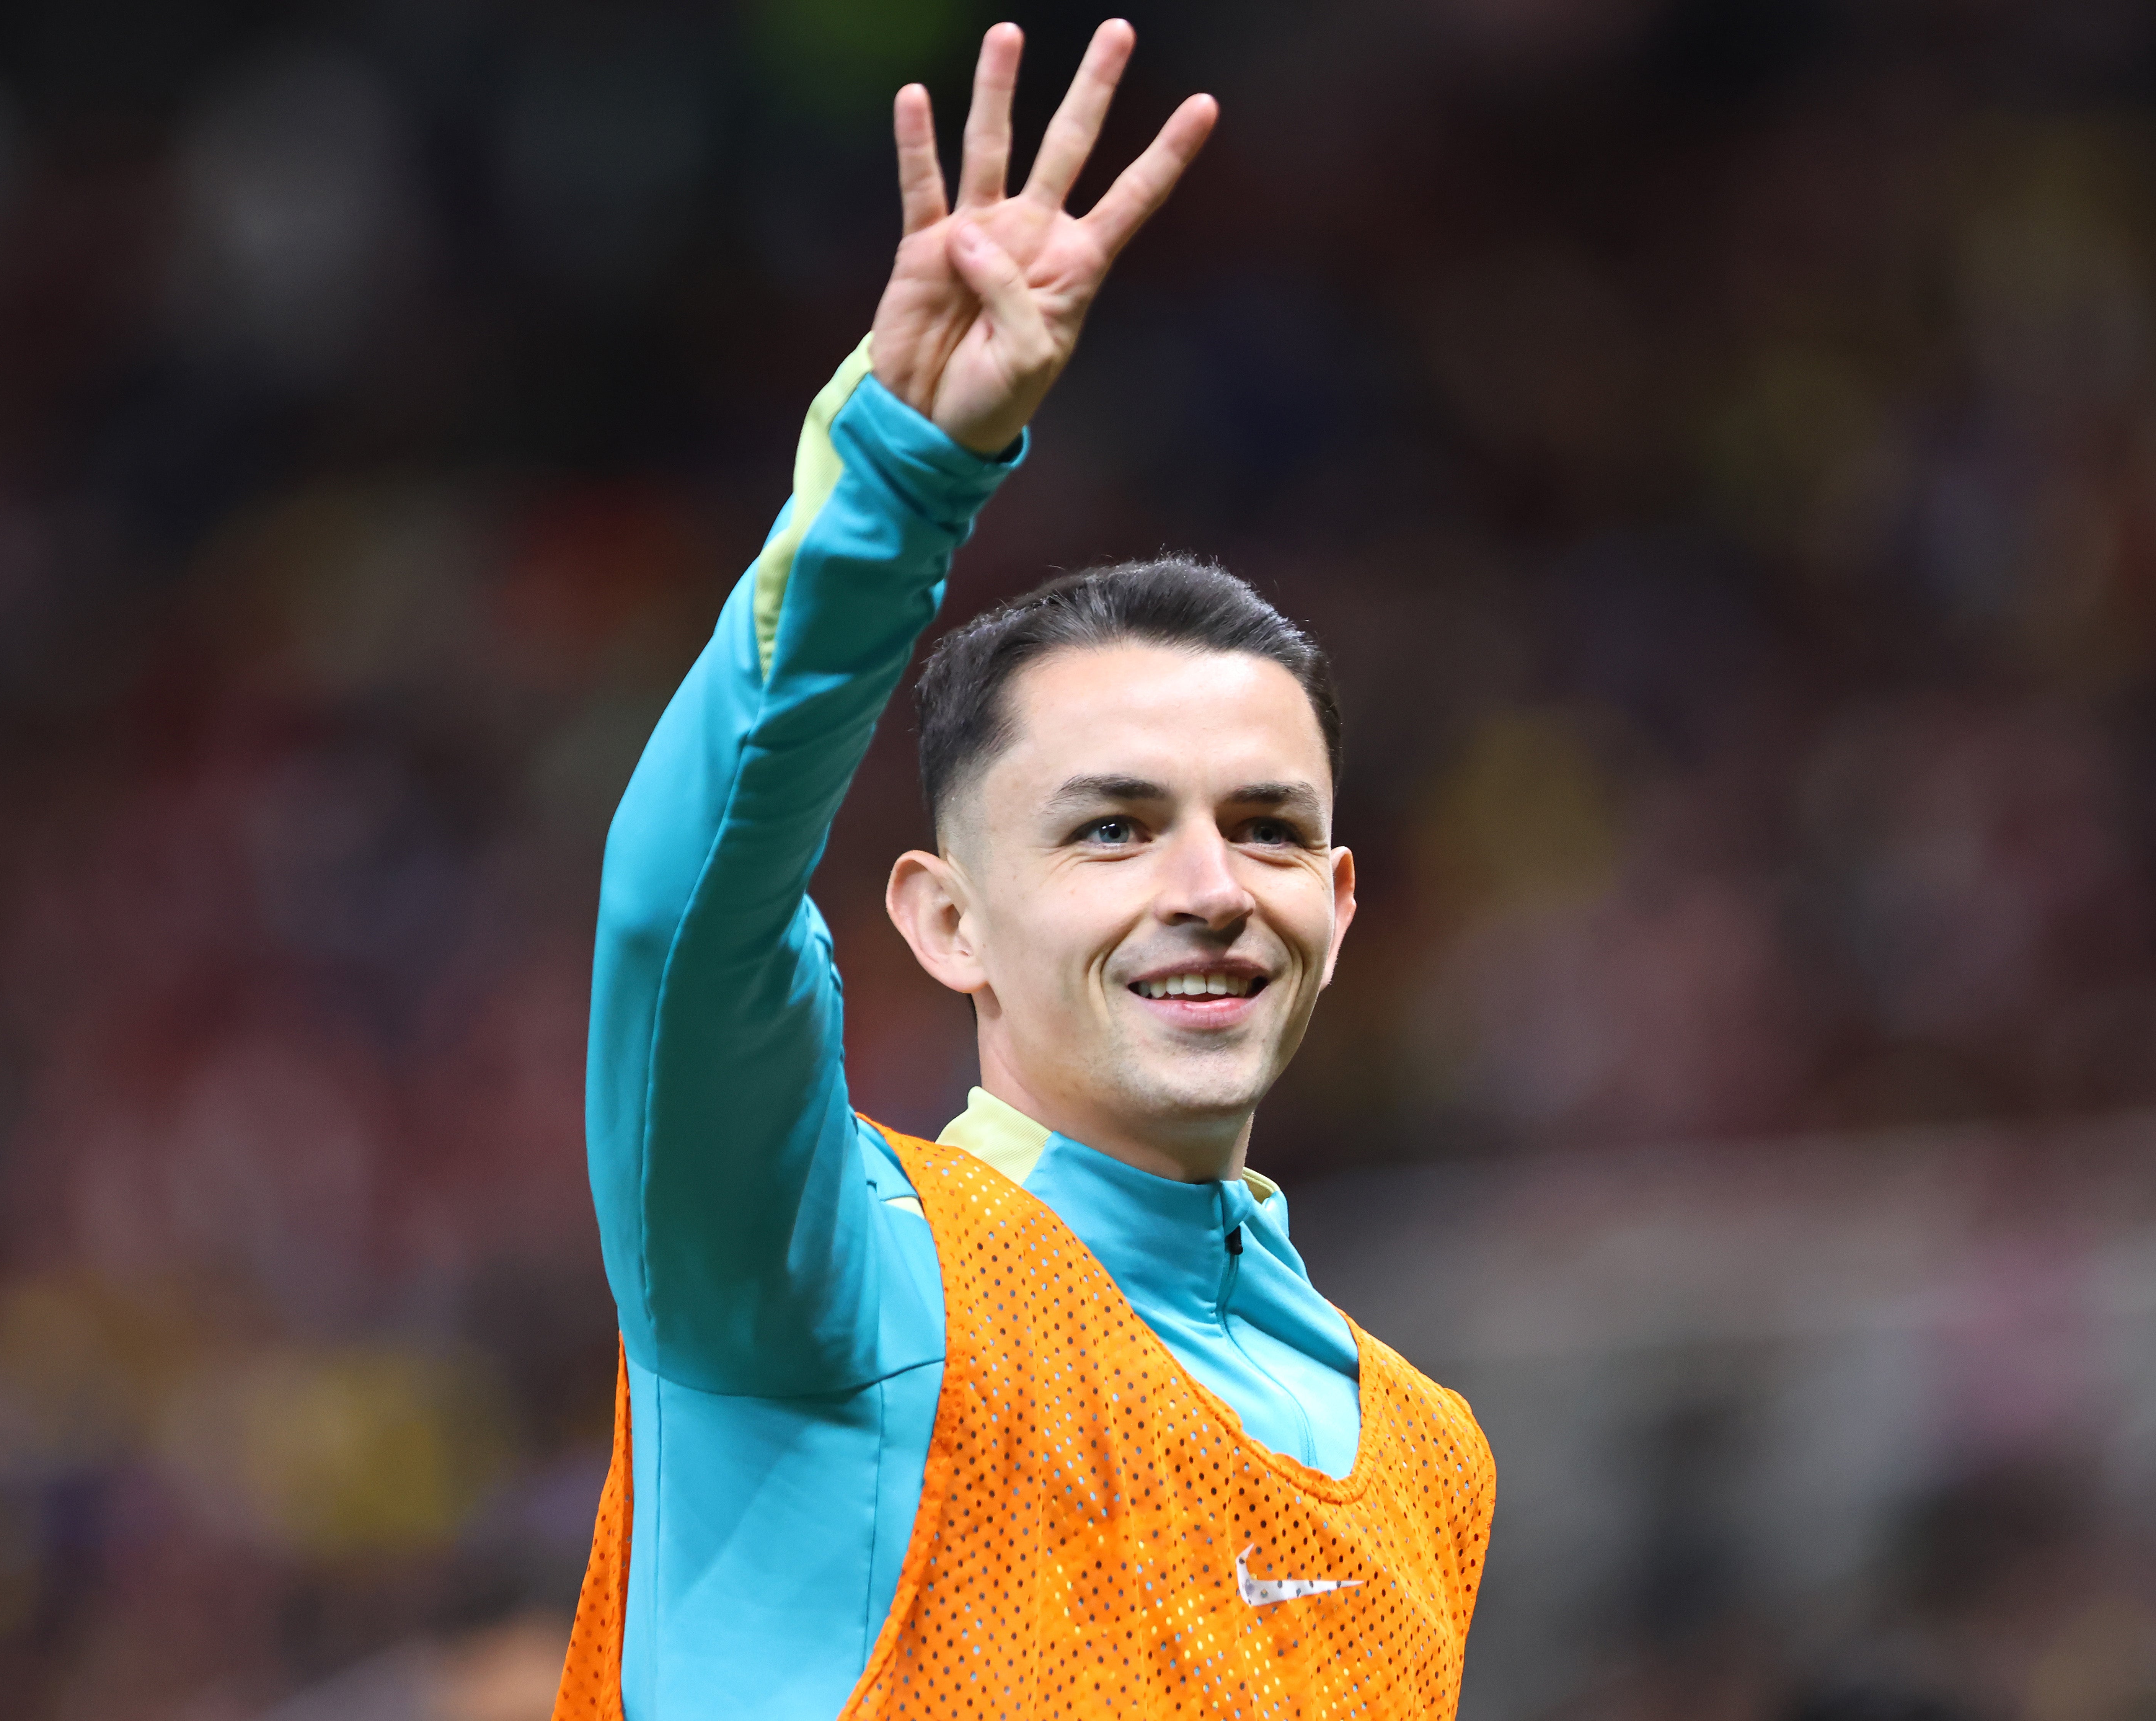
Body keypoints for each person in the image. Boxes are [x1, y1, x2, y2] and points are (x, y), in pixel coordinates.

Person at [551, 20, 1494, 1720]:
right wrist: (899, 477)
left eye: (1268, 826)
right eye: (1111, 827)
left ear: (1338, 906)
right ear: (945, 919)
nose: (1211, 886)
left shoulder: (1430, 1454)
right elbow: (676, 918)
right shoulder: (836, 1280)